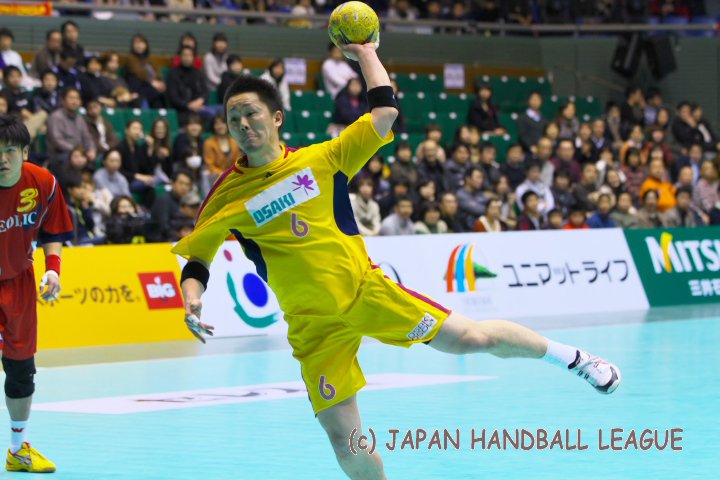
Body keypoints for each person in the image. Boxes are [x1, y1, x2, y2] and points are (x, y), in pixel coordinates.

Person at [171, 45, 621, 479]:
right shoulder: (225, 195)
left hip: (367, 293)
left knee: (471, 338)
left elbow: (384, 113)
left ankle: (574, 358)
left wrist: (366, 53)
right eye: (233, 118)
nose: (242, 124)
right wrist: (192, 299)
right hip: (313, 327)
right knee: (347, 445)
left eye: (251, 114)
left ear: (276, 118)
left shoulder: (324, 159)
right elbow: (197, 258)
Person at [0, 114, 74, 473]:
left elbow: (53, 230)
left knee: (21, 371)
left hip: (19, 283)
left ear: (25, 152)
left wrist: (53, 269)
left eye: (10, 151)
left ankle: (18, 451)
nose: (2, 159)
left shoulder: (43, 183)